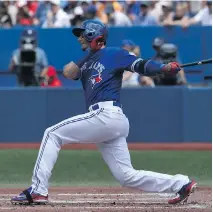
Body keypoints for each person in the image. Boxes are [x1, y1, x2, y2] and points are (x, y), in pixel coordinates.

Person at [11, 20, 196, 205]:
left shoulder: (115, 53)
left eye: (83, 34)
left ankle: (38, 190)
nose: (79, 39)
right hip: (108, 121)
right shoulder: (86, 62)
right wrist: (91, 53)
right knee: (126, 176)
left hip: (106, 114)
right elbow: (68, 72)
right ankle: (181, 183)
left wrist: (163, 68)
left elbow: (141, 65)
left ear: (93, 35)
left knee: (52, 133)